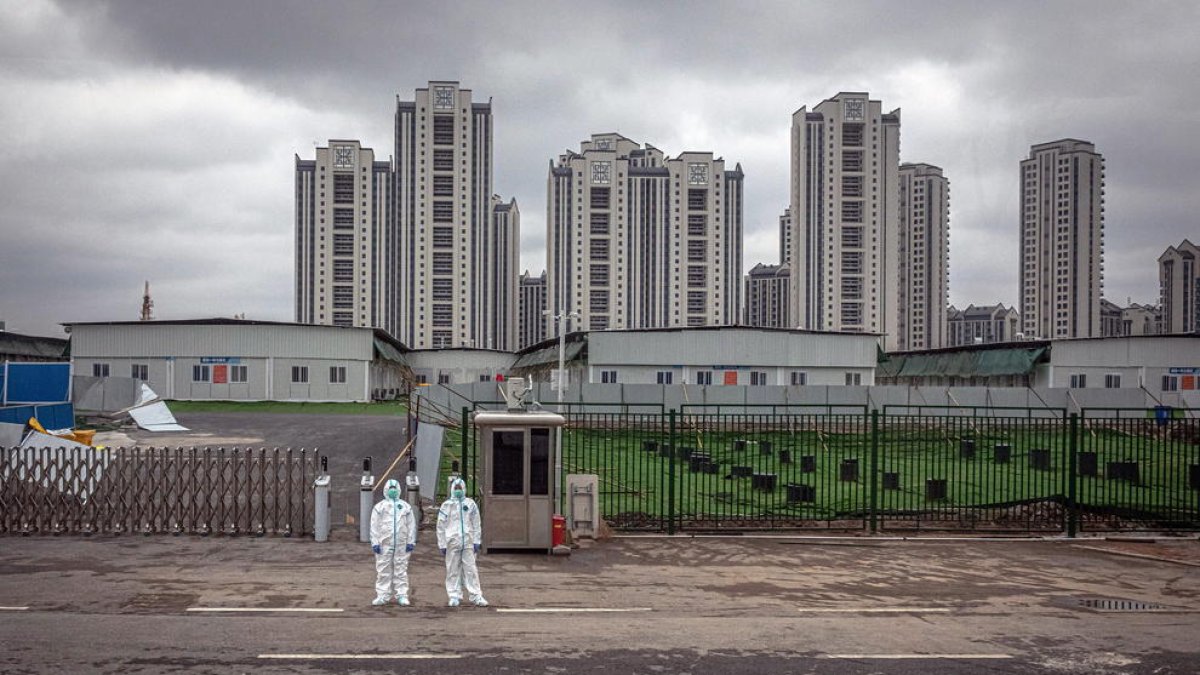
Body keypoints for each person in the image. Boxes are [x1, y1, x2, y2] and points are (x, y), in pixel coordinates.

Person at [436, 477, 487, 607]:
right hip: (452, 543)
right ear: (452, 489)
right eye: (456, 488)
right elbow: (440, 526)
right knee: (452, 570)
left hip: (468, 542)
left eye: (460, 488)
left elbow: (476, 523)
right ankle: (454, 595)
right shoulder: (446, 505)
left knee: (471, 569)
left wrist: (476, 540)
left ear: (464, 489)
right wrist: (442, 543)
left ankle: (476, 596)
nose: (458, 490)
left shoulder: (470, 504)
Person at [369, 478, 417, 606]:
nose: (393, 491)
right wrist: (375, 542)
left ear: (399, 489)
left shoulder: (405, 507)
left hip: (401, 544)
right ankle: (382, 595)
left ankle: (402, 595)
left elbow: (411, 525)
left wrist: (411, 541)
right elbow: (374, 526)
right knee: (383, 569)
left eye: (395, 488)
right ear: (386, 490)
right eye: (390, 488)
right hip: (384, 544)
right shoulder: (379, 507)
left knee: (401, 569)